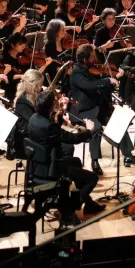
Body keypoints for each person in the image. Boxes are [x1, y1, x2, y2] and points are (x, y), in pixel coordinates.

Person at [26, 89, 103, 225]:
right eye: (54, 103)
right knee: (92, 178)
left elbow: (54, 128)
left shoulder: (35, 119)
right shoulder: (49, 126)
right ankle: (69, 211)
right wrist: (89, 130)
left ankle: (88, 204)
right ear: (49, 106)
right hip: (52, 169)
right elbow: (72, 138)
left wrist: (61, 111)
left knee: (76, 161)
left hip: (38, 166)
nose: (57, 103)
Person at [68, 43, 135, 172]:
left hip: (97, 108)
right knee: (96, 128)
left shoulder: (88, 69)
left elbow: (99, 87)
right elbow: (89, 86)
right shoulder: (76, 72)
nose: (95, 58)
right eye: (92, 56)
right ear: (85, 59)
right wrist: (107, 80)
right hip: (83, 110)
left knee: (119, 122)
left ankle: (128, 155)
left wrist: (114, 79)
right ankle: (95, 162)